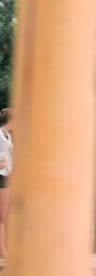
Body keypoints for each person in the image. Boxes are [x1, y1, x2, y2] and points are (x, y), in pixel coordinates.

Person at [0, 108, 14, 258]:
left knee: (3, 218)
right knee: (2, 218)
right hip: (1, 176)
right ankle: (3, 252)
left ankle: (4, 251)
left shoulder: (8, 136)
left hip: (6, 176)